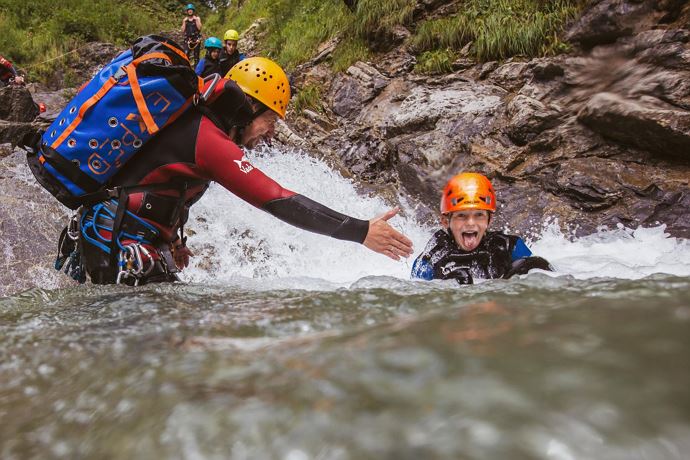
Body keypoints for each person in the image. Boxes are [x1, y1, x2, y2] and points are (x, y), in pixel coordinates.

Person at [58, 56, 413, 285]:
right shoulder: (208, 139)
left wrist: (172, 240)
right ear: (248, 107)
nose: (271, 131)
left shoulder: (201, 129)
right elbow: (278, 200)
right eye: (269, 119)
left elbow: (156, 182)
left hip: (113, 238)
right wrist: (361, 230)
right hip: (118, 242)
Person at [411, 173, 551, 284]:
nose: (471, 223)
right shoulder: (430, 258)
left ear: (490, 220)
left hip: (501, 303)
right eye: (461, 216)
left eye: (479, 215)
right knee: (461, 278)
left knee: (535, 263)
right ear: (445, 221)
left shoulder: (510, 246)